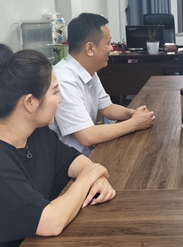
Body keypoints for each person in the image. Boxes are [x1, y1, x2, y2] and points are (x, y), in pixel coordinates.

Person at [0, 44, 116, 247]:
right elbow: (52, 222)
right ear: (30, 103)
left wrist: (96, 177)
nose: (59, 100)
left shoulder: (36, 133)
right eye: (55, 92)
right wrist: (88, 179)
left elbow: (73, 161)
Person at [50, 13, 155, 156]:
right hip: (73, 162)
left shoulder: (89, 71)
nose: (112, 48)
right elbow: (87, 136)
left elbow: (107, 108)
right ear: (90, 49)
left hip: (90, 153)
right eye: (108, 43)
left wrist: (132, 114)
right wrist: (134, 123)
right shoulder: (64, 80)